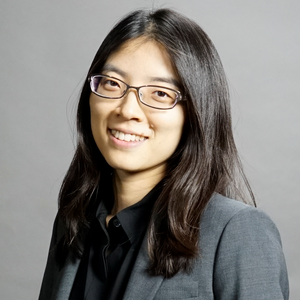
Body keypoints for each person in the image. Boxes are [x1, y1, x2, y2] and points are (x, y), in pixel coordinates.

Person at [38, 8, 289, 300]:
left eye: (160, 93)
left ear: (196, 112)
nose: (127, 110)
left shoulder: (237, 233)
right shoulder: (75, 222)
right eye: (112, 83)